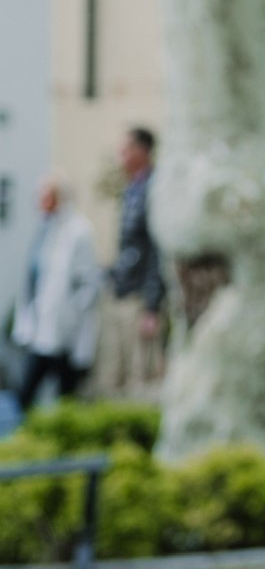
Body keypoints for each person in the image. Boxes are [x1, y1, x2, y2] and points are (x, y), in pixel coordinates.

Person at [12, 176, 103, 411]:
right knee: (28, 392)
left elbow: (89, 283)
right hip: (43, 326)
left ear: (59, 198)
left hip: (67, 332)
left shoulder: (78, 231)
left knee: (65, 394)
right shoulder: (46, 229)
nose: (39, 202)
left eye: (45, 197)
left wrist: (71, 316)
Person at [98, 126, 167, 395]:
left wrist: (152, 306)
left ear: (143, 151)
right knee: (116, 372)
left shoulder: (155, 189)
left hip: (140, 298)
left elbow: (156, 250)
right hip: (123, 291)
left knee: (142, 377)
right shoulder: (132, 190)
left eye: (126, 150)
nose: (121, 156)